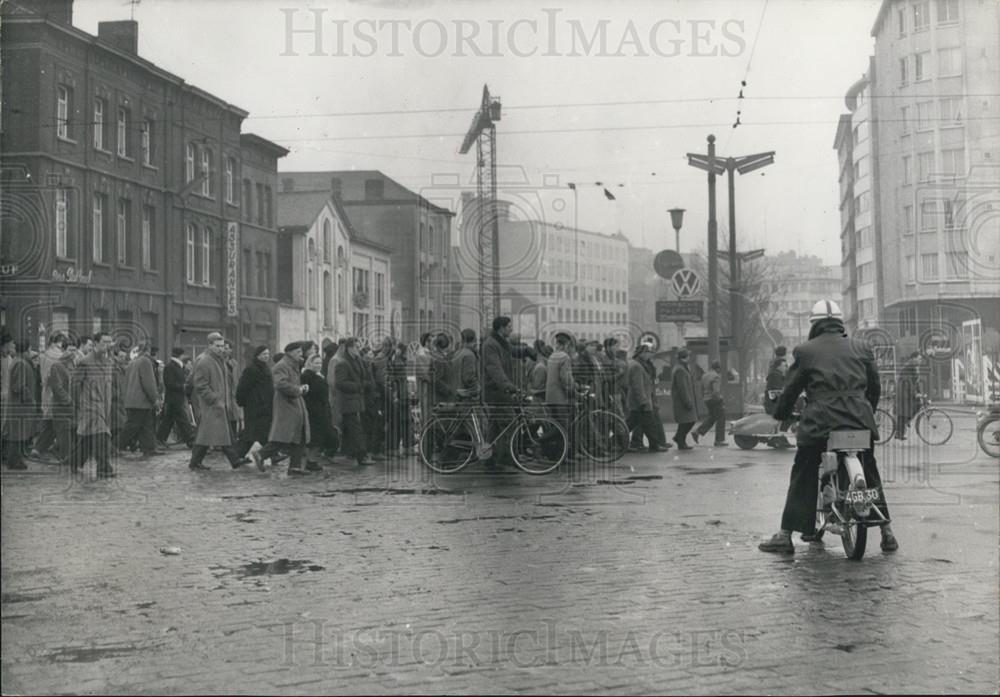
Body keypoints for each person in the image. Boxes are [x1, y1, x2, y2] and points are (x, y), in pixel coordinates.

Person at [758, 299, 898, 554]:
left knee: (804, 470)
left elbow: (791, 390)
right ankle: (887, 533)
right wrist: (867, 411)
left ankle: (786, 534)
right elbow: (874, 387)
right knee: (869, 470)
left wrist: (781, 414)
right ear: (839, 323)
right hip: (859, 420)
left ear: (815, 324)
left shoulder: (806, 351)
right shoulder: (862, 347)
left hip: (821, 424)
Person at [188, 332, 247, 471]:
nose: (221, 349)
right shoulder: (204, 361)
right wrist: (215, 399)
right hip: (212, 405)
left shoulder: (220, 361)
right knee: (214, 433)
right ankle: (234, 460)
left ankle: (196, 462)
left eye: (222, 346)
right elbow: (201, 385)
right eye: (217, 346)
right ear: (209, 345)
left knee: (209, 434)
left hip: (220, 404)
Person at [482, 316, 532, 468]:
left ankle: (489, 458)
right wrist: (508, 386)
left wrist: (526, 351)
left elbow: (513, 351)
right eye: (509, 326)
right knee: (510, 423)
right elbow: (495, 369)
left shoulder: (500, 343)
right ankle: (504, 459)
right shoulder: (490, 345)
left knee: (495, 427)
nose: (511, 329)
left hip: (499, 391)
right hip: (496, 391)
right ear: (501, 328)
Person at [253, 342, 311, 475]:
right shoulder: (282, 365)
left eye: (301, 352)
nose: (300, 354)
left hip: (295, 402)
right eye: (298, 352)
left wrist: (301, 388)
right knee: (283, 436)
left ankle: (295, 466)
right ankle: (261, 454)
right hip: (287, 404)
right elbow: (280, 384)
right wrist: (298, 389)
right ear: (289, 352)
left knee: (299, 434)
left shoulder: (293, 365)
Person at [70, 332, 116, 478]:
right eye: (104, 342)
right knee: (101, 436)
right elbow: (75, 385)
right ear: (95, 343)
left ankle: (75, 462)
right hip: (90, 406)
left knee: (88, 438)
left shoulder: (108, 362)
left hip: (104, 405)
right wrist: (78, 404)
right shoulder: (85, 362)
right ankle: (104, 468)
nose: (107, 345)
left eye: (109, 342)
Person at [330, 338, 374, 467]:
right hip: (348, 401)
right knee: (355, 428)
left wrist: (365, 384)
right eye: (355, 347)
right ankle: (361, 456)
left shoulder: (358, 361)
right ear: (349, 348)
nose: (358, 349)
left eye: (359, 347)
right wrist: (359, 386)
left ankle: (349, 453)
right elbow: (340, 383)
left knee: (351, 428)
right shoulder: (342, 363)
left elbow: (364, 376)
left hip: (357, 400)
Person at [117, 341, 164, 459]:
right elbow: (149, 383)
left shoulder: (133, 362)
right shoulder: (146, 362)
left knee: (146, 425)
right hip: (141, 401)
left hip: (132, 400)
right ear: (147, 350)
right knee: (132, 426)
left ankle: (149, 448)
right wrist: (155, 399)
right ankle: (114, 446)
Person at [626, 339, 670, 453]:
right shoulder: (636, 366)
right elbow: (638, 386)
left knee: (633, 424)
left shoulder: (640, 364)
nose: (648, 355)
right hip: (641, 401)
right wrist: (643, 401)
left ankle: (615, 441)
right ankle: (654, 445)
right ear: (641, 353)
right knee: (648, 424)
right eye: (647, 352)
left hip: (641, 400)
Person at [32, 332, 68, 461]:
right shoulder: (58, 355)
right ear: (58, 341)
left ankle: (42, 448)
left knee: (49, 421)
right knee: (54, 422)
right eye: (62, 341)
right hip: (54, 391)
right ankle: (41, 448)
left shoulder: (44, 354)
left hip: (46, 389)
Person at [2, 341, 38, 470]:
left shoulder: (18, 362)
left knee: (18, 433)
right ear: (25, 351)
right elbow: (18, 386)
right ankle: (14, 460)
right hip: (20, 406)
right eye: (29, 350)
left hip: (19, 405)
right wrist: (29, 399)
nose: (30, 353)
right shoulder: (20, 363)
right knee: (16, 434)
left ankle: (16, 459)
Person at [235, 345, 274, 459]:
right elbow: (242, 388)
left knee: (259, 432)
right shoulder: (251, 369)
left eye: (267, 354)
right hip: (254, 407)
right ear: (257, 356)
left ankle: (270, 454)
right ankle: (237, 456)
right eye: (263, 354)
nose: (266, 356)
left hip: (265, 406)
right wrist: (241, 401)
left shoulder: (266, 368)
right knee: (252, 434)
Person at [545, 332, 579, 460]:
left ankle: (555, 455)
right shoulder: (565, 357)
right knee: (563, 427)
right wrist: (575, 389)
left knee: (556, 425)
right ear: (566, 344)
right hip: (560, 398)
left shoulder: (552, 356)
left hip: (550, 397)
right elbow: (566, 379)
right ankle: (561, 455)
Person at [46, 339, 78, 468]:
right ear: (64, 351)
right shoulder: (57, 366)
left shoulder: (71, 365)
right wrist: (68, 400)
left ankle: (59, 451)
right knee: (64, 433)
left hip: (70, 406)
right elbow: (57, 387)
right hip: (61, 406)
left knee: (69, 432)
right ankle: (65, 458)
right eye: (70, 350)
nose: (73, 354)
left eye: (74, 351)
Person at [157, 347, 195, 448]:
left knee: (168, 421)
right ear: (181, 355)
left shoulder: (174, 366)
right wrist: (182, 386)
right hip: (174, 399)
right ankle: (190, 440)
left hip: (174, 399)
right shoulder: (171, 366)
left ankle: (159, 439)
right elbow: (169, 383)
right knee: (183, 420)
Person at [301, 351, 331, 471]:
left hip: (321, 408)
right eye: (316, 363)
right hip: (313, 410)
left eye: (320, 363)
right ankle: (310, 461)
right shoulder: (307, 375)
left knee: (318, 436)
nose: (319, 365)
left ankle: (311, 460)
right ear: (310, 363)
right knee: (315, 437)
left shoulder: (318, 375)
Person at [693, 359, 727, 447]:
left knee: (712, 417)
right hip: (715, 400)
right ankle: (719, 440)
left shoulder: (705, 375)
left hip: (707, 399)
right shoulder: (716, 376)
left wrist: (704, 397)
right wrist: (721, 399)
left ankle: (697, 432)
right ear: (718, 368)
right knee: (721, 418)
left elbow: (701, 389)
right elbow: (716, 391)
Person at [670, 348, 699, 450]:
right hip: (682, 401)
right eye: (688, 356)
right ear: (684, 358)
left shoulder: (682, 367)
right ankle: (680, 441)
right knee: (687, 421)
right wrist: (687, 401)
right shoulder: (680, 369)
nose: (689, 358)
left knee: (687, 421)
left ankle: (679, 438)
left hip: (684, 400)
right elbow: (682, 387)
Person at [895, 351, 922, 441]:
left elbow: (916, 382)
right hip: (903, 392)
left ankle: (906, 421)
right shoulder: (908, 367)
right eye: (919, 359)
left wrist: (920, 393)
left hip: (908, 391)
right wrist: (915, 393)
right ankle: (899, 433)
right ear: (913, 359)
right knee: (903, 412)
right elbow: (908, 382)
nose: (920, 360)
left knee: (918, 404)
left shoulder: (914, 367)